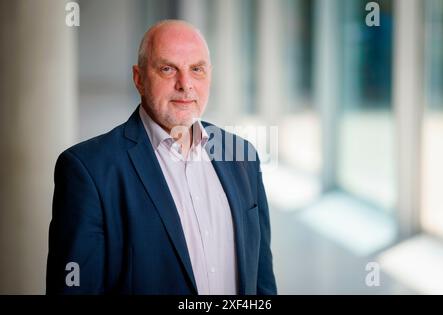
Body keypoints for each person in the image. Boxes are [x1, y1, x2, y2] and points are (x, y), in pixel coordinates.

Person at [46, 20, 277, 295]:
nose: (185, 84)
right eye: (168, 69)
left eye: (197, 69)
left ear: (210, 75)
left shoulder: (243, 156)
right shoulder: (88, 170)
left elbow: (262, 278)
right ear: (139, 78)